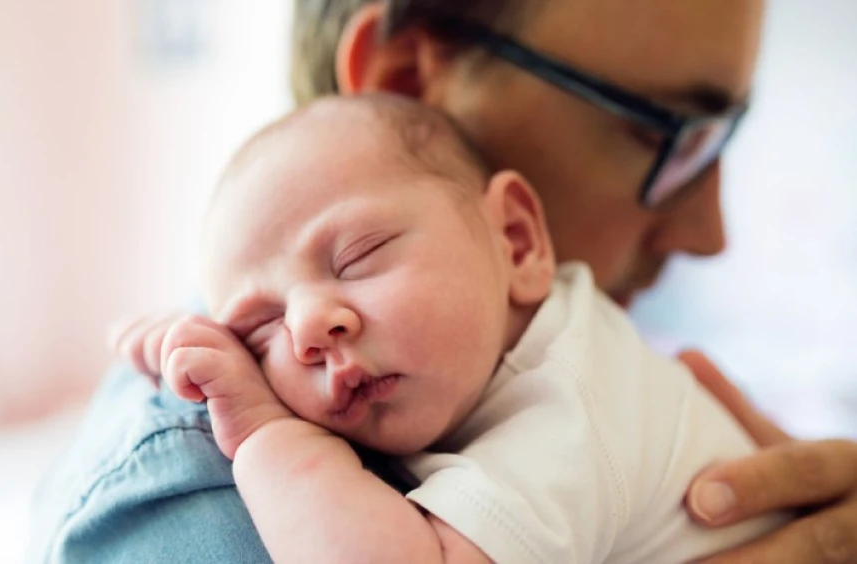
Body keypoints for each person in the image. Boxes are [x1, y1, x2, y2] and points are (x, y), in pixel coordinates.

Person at [28, 1, 857, 562]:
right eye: (658, 130)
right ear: (409, 85)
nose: (710, 233)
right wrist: (263, 433)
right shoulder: (194, 495)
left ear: (518, 234)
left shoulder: (569, 388)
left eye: (716, 140)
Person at [160, 92, 788, 562]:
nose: (307, 330)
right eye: (258, 331)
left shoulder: (570, 408)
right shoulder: (493, 345)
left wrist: (270, 437)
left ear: (515, 242)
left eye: (358, 257)